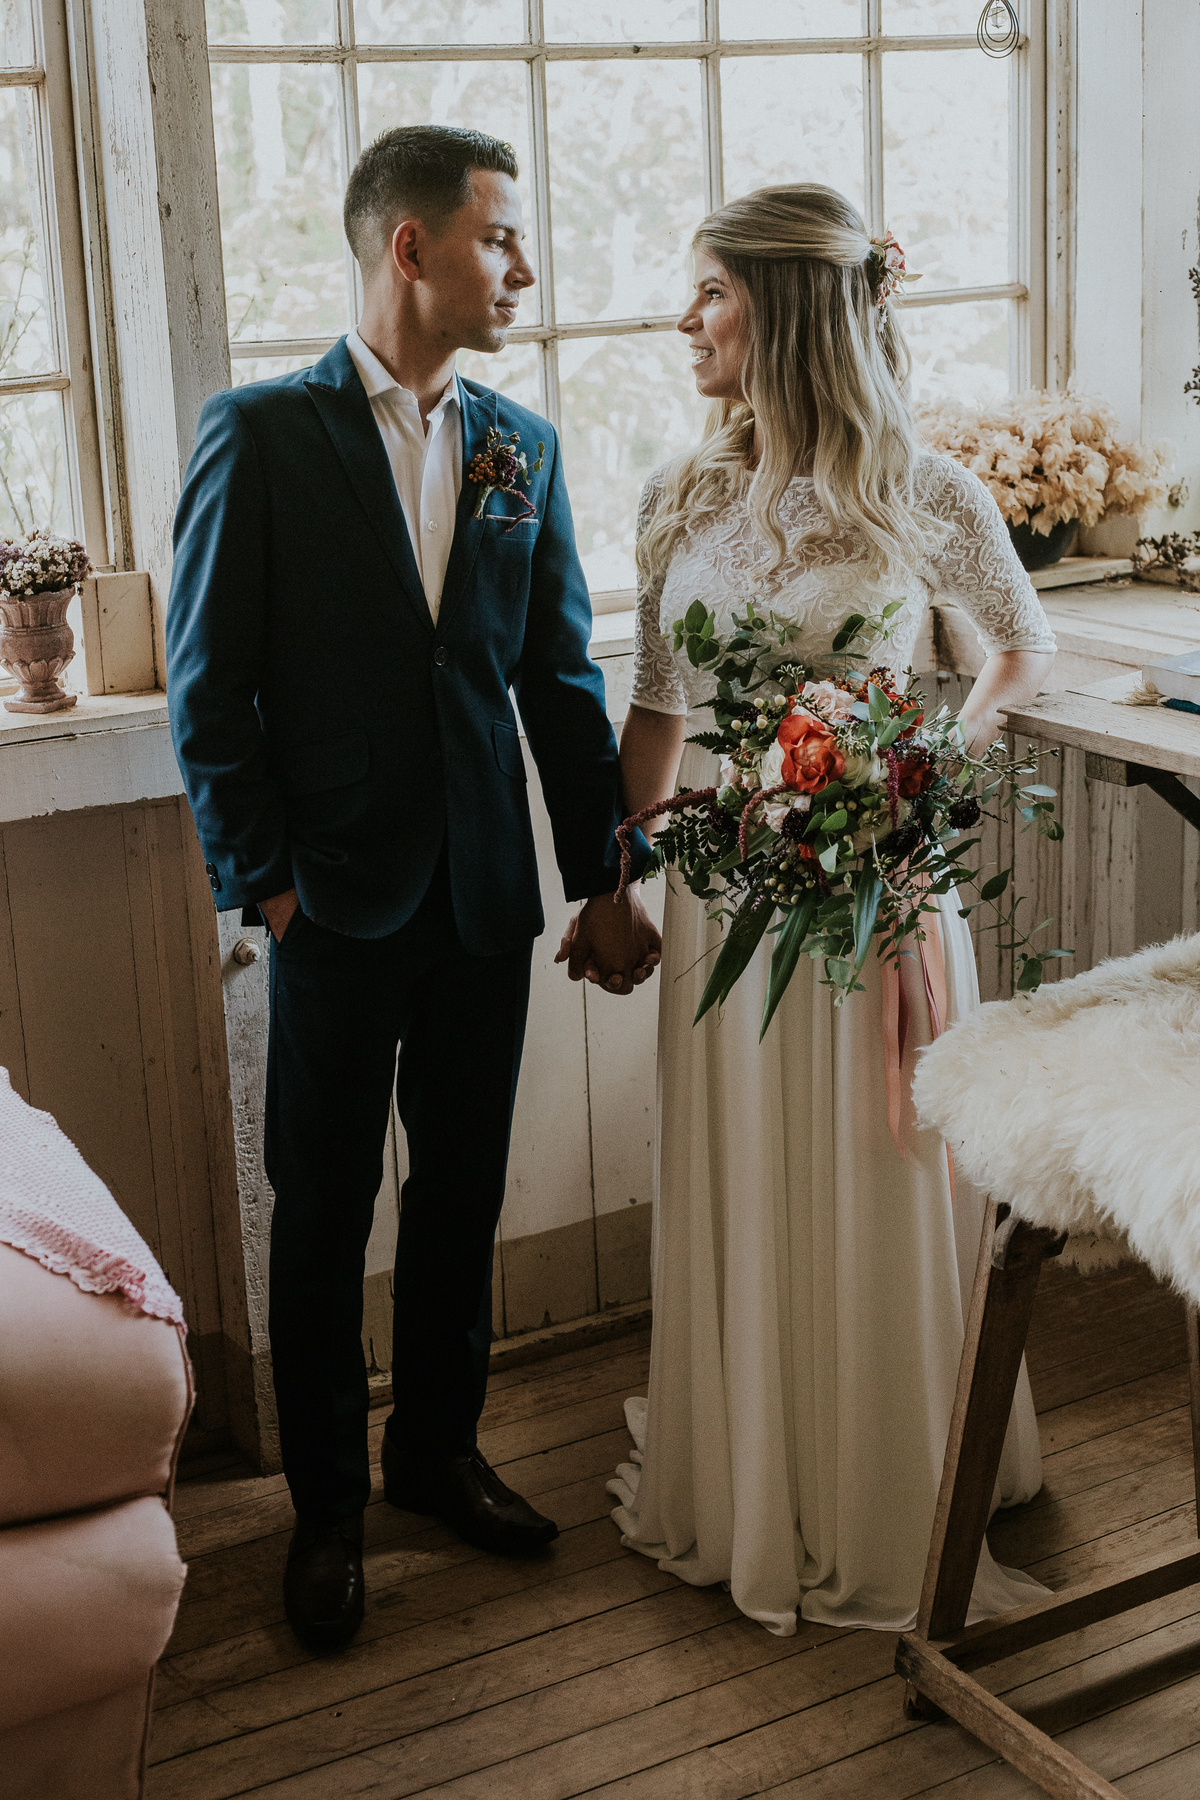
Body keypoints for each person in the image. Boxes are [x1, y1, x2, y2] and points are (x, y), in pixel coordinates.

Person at [166, 124, 658, 1650]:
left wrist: (603, 879)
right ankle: (323, 1513)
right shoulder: (259, 435)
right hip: (331, 911)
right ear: (410, 248)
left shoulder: (525, 446)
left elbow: (561, 681)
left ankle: (435, 1453)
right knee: (318, 1212)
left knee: (456, 1196)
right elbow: (208, 695)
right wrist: (272, 895)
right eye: (500, 237)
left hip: (480, 907)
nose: (522, 266)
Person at [598, 184, 1057, 1634]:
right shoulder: (680, 494)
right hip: (726, 883)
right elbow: (657, 716)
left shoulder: (924, 489)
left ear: (785, 310)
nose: (687, 321)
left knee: (877, 1169)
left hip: (874, 879)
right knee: (742, 1160)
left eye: (711, 295)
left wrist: (911, 776)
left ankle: (890, 1469)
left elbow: (1019, 655)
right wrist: (620, 882)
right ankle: (753, 1467)